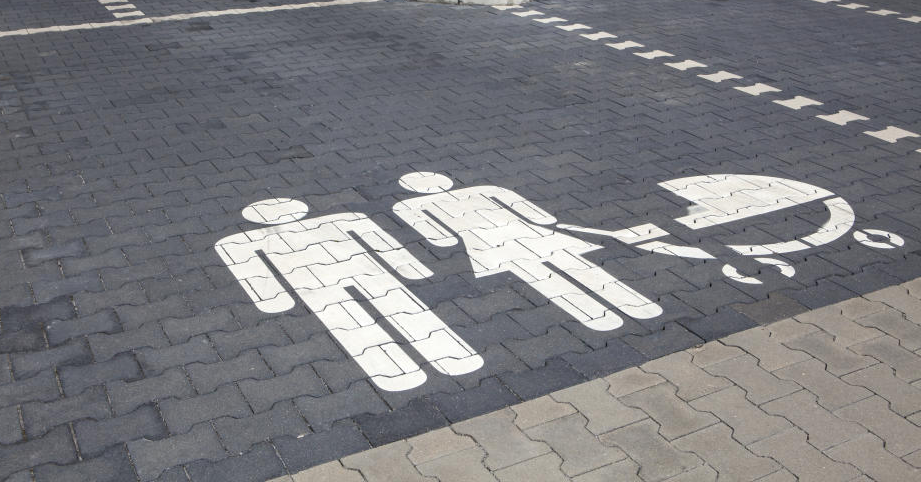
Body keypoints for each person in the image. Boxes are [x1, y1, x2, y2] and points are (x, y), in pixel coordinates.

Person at [214, 197, 482, 391]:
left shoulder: (245, 239)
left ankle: (394, 371)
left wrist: (274, 299)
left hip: (320, 288)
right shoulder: (343, 219)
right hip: (367, 276)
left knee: (351, 324)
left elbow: (251, 269)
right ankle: (452, 357)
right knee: (405, 311)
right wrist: (410, 267)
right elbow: (380, 240)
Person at [393, 172, 662, 331]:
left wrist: (452, 236)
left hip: (485, 245)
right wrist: (540, 219)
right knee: (575, 265)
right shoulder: (486, 189)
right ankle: (633, 302)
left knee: (539, 277)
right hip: (528, 233)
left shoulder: (412, 206)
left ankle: (593, 315)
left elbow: (441, 239)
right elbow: (535, 214)